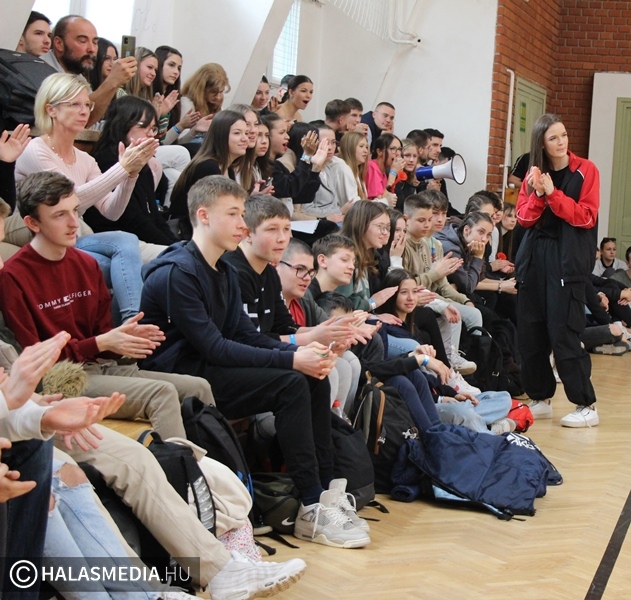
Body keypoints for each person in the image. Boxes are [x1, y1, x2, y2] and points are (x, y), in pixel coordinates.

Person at [139, 175, 370, 549]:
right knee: (291, 382)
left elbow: (246, 335)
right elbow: (215, 347)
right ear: (203, 216)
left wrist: (301, 355)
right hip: (182, 374)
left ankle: (324, 495)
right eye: (233, 214)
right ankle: (310, 504)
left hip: (213, 368)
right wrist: (292, 359)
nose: (241, 224)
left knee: (313, 377)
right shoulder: (178, 271)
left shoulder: (224, 270)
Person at [0, 171, 215, 439]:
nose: (74, 223)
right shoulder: (13, 276)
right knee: (161, 393)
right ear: (32, 223)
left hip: (103, 367)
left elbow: (102, 337)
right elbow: (34, 356)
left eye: (75, 210)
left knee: (199, 387)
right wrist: (101, 343)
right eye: (59, 215)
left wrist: (124, 339)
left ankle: (216, 461)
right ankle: (182, 465)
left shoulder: (86, 264)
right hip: (62, 378)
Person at [11, 72, 159, 320]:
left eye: (87, 105)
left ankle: (130, 323)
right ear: (51, 109)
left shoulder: (85, 159)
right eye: (75, 104)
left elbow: (111, 211)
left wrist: (130, 175)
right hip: (32, 229)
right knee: (122, 262)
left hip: (71, 231)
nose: (84, 111)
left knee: (125, 243)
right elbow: (67, 199)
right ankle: (133, 323)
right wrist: (122, 168)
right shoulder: (36, 150)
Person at [516, 113, 600, 427]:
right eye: (553, 138)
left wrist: (553, 194)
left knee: (564, 333)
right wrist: (539, 194)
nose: (562, 142)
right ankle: (540, 398)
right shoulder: (532, 174)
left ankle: (585, 404)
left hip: (566, 260)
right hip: (534, 259)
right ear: (542, 143)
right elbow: (524, 219)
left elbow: (586, 217)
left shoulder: (586, 170)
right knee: (531, 333)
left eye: (563, 135)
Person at [402, 192, 481, 374]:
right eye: (423, 219)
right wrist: (436, 274)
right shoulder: (403, 244)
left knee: (474, 311)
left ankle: (474, 365)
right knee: (453, 314)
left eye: (441, 215)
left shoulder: (432, 244)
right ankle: (450, 362)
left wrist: (463, 299)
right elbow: (410, 284)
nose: (430, 223)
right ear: (407, 220)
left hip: (430, 295)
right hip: (418, 297)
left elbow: (442, 284)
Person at [87, 96, 178, 251]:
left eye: (153, 128)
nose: (151, 134)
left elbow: (154, 215)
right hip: (117, 241)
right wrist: (172, 249)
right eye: (144, 126)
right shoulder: (107, 161)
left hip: (139, 238)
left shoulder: (143, 162)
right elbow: (132, 221)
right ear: (122, 125)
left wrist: (177, 245)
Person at [41, 15, 137, 127]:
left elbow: (91, 123)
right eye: (83, 41)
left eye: (95, 42)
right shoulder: (41, 71)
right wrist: (113, 81)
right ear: (59, 43)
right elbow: (77, 119)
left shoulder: (78, 76)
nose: (91, 49)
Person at [169, 109, 249, 238]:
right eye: (237, 133)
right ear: (220, 135)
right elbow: (206, 216)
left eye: (246, 133)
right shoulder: (208, 167)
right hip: (185, 234)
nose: (245, 139)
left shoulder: (228, 169)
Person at [178, 63, 229, 144]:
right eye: (213, 92)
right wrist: (195, 130)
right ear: (202, 89)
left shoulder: (217, 106)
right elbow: (179, 141)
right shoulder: (187, 103)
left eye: (221, 92)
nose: (218, 97)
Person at [365, 133, 403, 206]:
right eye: (393, 149)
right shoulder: (372, 167)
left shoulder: (384, 171)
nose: (398, 154)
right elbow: (380, 203)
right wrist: (393, 173)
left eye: (399, 149)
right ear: (379, 152)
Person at [337, 131, 369, 209]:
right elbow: (355, 204)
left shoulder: (358, 170)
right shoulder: (345, 169)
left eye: (366, 147)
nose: (366, 151)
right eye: (361, 146)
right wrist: (385, 201)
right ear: (350, 148)